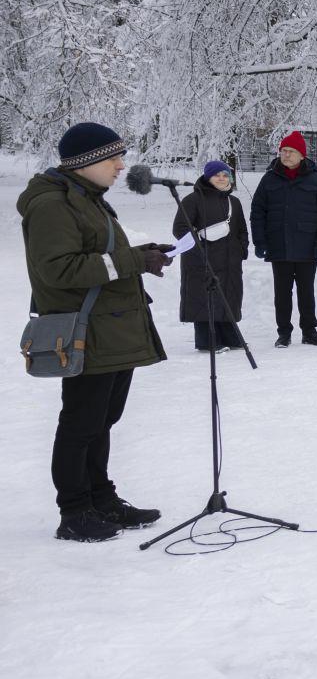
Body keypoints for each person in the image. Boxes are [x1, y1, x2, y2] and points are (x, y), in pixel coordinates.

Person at [18, 122, 170, 541]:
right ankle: (74, 511)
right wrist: (133, 262)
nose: (122, 166)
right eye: (113, 158)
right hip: (86, 329)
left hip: (113, 326)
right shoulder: (53, 204)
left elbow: (98, 255)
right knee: (81, 422)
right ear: (86, 163)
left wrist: (139, 254)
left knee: (103, 419)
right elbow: (59, 269)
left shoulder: (87, 199)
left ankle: (102, 499)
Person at [250, 130, 317, 347]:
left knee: (306, 292)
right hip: (279, 245)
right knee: (282, 293)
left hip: (308, 246)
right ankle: (284, 332)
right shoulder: (269, 179)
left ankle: (309, 331)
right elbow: (258, 211)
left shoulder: (316, 179)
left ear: (301, 155)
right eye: (283, 151)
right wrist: (260, 241)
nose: (286, 155)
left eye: (291, 151)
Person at [173, 160, 249, 352]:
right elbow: (181, 228)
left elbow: (241, 230)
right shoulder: (193, 200)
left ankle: (230, 337)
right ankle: (206, 341)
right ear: (208, 177)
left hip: (230, 260)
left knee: (228, 296)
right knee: (204, 298)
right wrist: (200, 249)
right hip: (203, 260)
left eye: (225, 175)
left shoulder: (234, 202)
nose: (222, 179)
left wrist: (241, 249)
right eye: (217, 175)